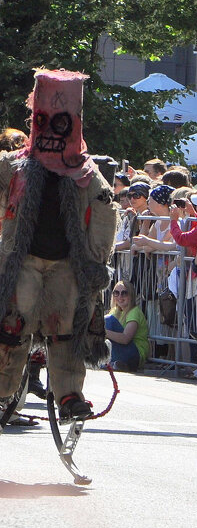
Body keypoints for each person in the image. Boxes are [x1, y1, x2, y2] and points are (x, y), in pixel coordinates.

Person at [0, 69, 118, 420]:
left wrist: (96, 262)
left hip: (67, 264)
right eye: (45, 121)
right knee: (12, 327)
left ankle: (68, 395)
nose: (53, 131)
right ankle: (3, 388)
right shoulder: (14, 167)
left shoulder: (86, 171)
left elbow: (104, 211)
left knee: (65, 331)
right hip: (24, 262)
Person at [104, 280, 149, 371]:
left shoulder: (134, 312)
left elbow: (125, 339)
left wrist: (102, 332)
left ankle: (112, 363)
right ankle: (115, 363)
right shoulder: (115, 311)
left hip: (135, 355)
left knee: (108, 320)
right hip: (123, 352)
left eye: (124, 293)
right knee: (104, 320)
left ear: (131, 296)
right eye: (116, 293)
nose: (120, 297)